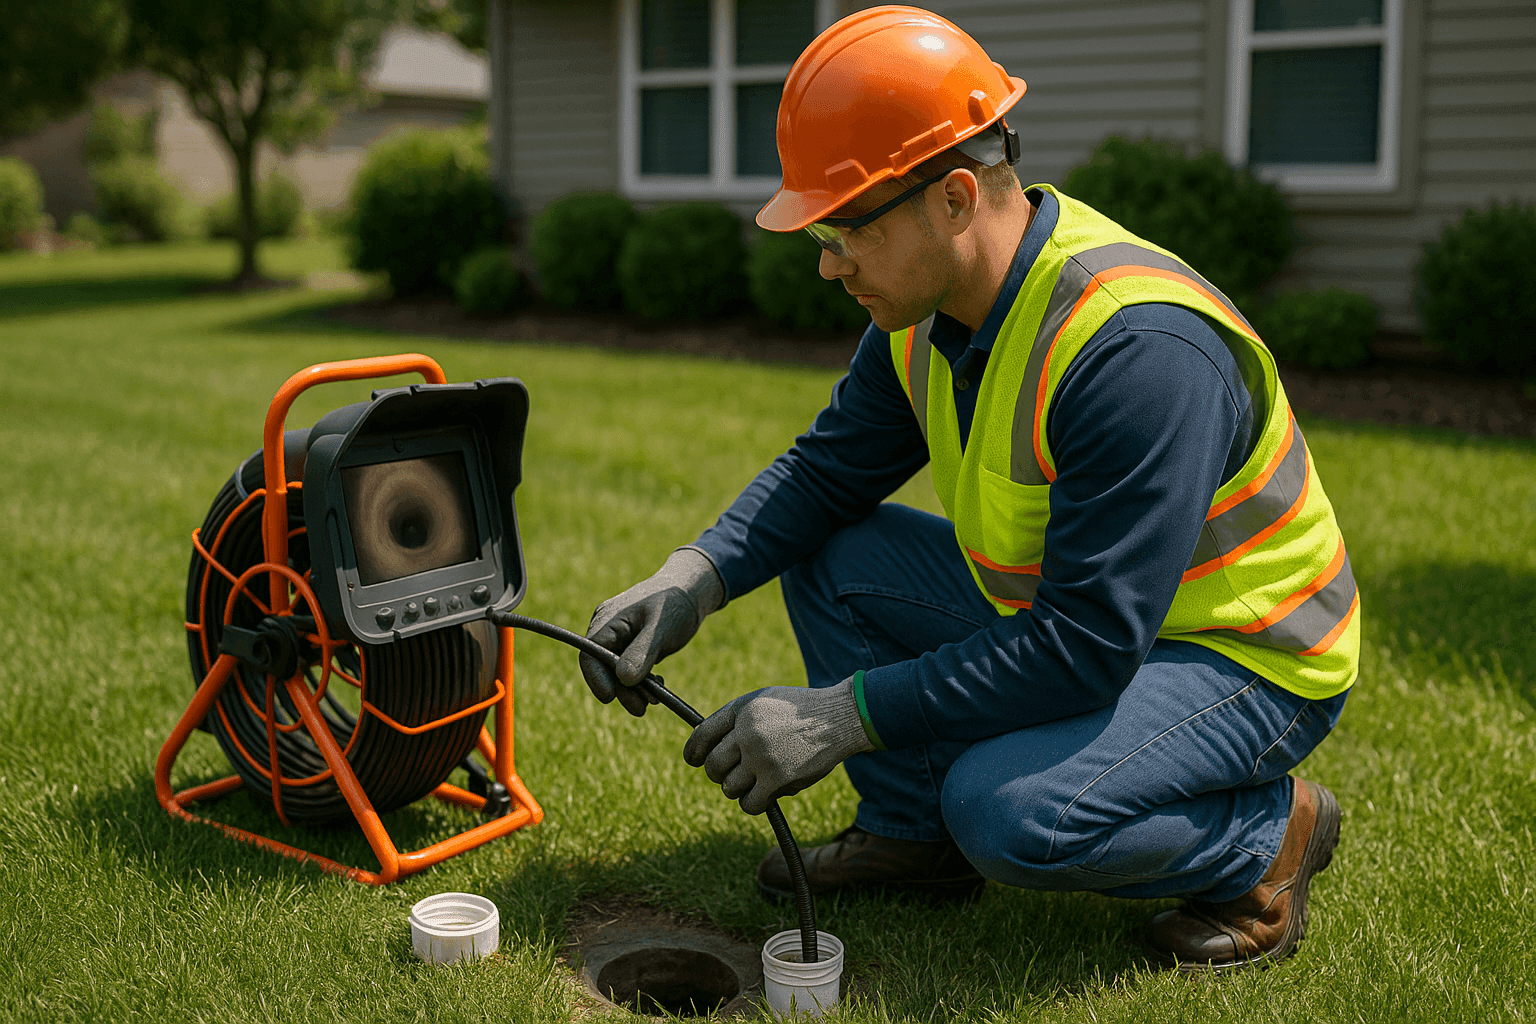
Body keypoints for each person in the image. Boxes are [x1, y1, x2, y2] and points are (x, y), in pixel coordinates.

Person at [579, 6, 1359, 973]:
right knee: (832, 548)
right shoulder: (924, 312)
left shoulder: (1137, 351)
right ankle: (913, 836)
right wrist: (692, 576)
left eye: (845, 228)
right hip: (1091, 624)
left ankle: (1267, 838)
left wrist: (840, 717)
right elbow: (825, 473)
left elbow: (1084, 648)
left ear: (953, 198)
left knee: (1008, 810)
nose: (826, 263)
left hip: (1245, 656)